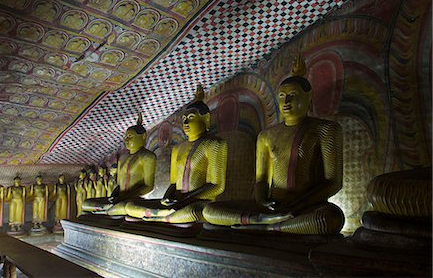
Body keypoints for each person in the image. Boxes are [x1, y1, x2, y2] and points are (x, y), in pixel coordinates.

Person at [202, 56, 345, 234]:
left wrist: (297, 204)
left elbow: (333, 182)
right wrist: (263, 201)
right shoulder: (266, 136)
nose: (286, 103)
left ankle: (269, 227)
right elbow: (261, 180)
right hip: (272, 206)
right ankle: (262, 221)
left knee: (331, 218)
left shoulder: (325, 129)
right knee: (209, 211)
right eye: (282, 97)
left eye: (293, 96)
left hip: (305, 208)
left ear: (309, 98)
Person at [120, 85, 228, 224]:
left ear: (206, 119)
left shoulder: (214, 144)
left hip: (197, 203)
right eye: (184, 119)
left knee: (195, 212)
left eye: (190, 117)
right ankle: (164, 216)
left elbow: (217, 186)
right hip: (176, 203)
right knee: (130, 206)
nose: (186, 122)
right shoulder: (177, 149)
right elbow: (173, 182)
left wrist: (186, 199)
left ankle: (160, 217)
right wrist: (167, 197)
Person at [82, 113, 156, 214]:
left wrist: (124, 198)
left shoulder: (147, 156)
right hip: (119, 199)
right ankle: (108, 209)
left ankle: (107, 210)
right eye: (125, 137)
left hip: (133, 200)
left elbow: (148, 186)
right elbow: (119, 184)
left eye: (130, 136)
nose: (126, 139)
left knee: (127, 207)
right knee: (86, 203)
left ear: (143, 136)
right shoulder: (123, 158)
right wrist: (114, 197)